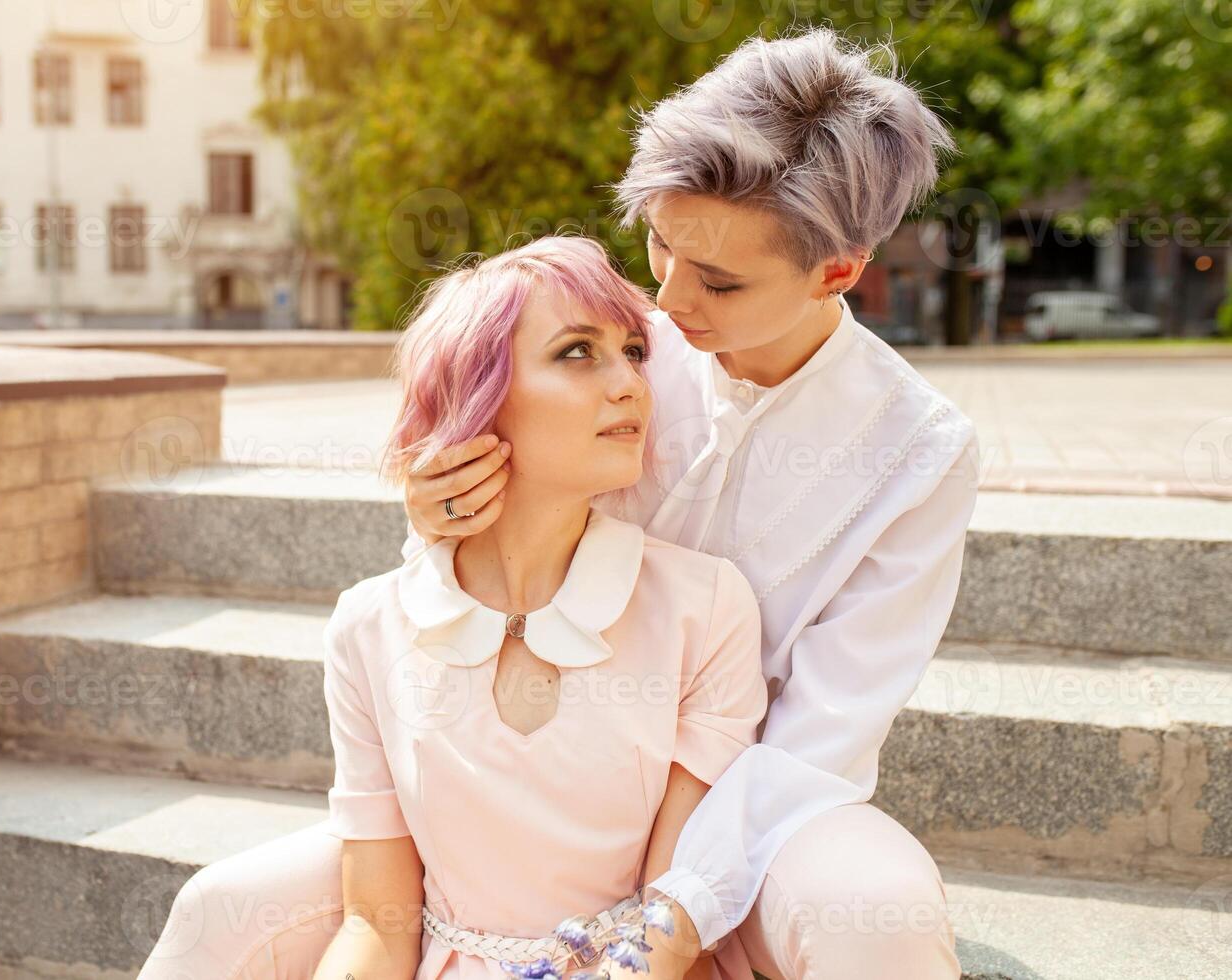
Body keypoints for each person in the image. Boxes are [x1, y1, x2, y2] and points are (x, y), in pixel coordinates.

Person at [139, 25, 976, 980]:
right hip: (532, 784)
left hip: (750, 806)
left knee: (877, 913)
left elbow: (819, 741)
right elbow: (483, 541)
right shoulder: (628, 350)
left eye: (719, 280)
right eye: (659, 245)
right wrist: (442, 516)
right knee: (224, 909)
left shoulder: (919, 454)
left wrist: (670, 919)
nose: (668, 300)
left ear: (839, 271)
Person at [311, 235, 769, 979]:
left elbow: (671, 923)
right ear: (477, 396)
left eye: (632, 351)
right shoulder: (369, 626)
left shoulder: (705, 607)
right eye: (578, 353)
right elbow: (376, 923)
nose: (630, 384)